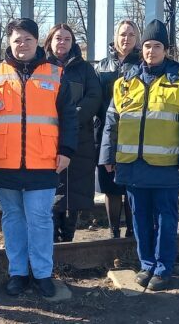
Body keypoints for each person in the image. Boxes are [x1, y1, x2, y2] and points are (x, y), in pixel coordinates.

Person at [0, 18, 79, 298]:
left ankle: (42, 274)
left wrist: (66, 150)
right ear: (9, 42)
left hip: (44, 161)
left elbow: (69, 117)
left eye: (28, 39)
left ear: (37, 41)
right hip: (3, 162)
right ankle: (17, 273)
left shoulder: (55, 74)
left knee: (40, 218)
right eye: (17, 40)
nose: (22, 45)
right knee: (13, 218)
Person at [100, 19, 179, 292]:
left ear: (166, 50)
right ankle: (146, 264)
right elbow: (111, 123)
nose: (151, 51)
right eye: (147, 46)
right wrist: (108, 156)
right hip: (132, 164)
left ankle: (163, 268)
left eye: (157, 46)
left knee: (165, 217)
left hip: (167, 165)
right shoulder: (124, 82)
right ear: (141, 48)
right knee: (140, 216)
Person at [43, 24, 102, 243]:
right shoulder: (41, 66)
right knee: (50, 186)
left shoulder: (84, 69)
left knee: (75, 189)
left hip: (80, 136)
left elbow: (94, 97)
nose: (62, 42)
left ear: (73, 43)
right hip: (47, 135)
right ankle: (52, 237)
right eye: (58, 38)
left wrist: (72, 117)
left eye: (67, 39)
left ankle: (68, 237)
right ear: (50, 41)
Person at [95, 19, 140, 238]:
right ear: (115, 37)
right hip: (106, 133)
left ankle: (132, 231)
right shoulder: (102, 66)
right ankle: (113, 231)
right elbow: (94, 98)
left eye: (131, 35)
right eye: (123, 34)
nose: (126, 39)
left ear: (137, 38)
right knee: (110, 186)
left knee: (132, 185)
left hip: (133, 133)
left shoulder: (142, 64)